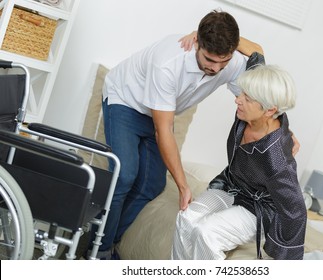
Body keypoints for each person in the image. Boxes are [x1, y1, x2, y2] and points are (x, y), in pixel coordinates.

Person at [87, 10, 265, 259]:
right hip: (126, 101)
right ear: (197, 44)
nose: (215, 68)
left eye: (222, 62)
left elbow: (259, 59)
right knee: (125, 175)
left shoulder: (231, 62)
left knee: (152, 185)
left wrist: (280, 130)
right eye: (209, 60)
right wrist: (183, 185)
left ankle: (112, 238)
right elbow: (164, 130)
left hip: (160, 112)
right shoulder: (168, 62)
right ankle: (97, 251)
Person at [171, 63, 307, 260]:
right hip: (232, 185)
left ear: (269, 110)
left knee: (207, 233)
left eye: (247, 98)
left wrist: (284, 258)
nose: (237, 100)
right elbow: (256, 57)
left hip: (259, 207)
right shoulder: (249, 113)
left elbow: (295, 211)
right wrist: (198, 34)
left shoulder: (276, 158)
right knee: (186, 218)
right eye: (241, 93)